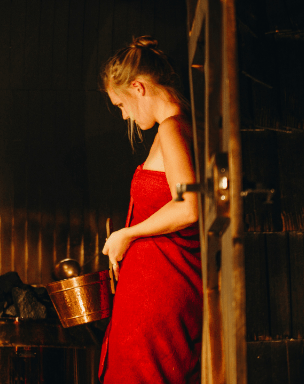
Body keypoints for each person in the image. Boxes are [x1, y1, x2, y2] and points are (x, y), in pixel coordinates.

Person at [99, 36, 202, 383]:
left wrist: (126, 234)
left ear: (138, 88)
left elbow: (190, 205)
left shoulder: (173, 128)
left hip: (160, 294)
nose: (124, 114)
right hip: (152, 292)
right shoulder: (175, 128)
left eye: (120, 105)